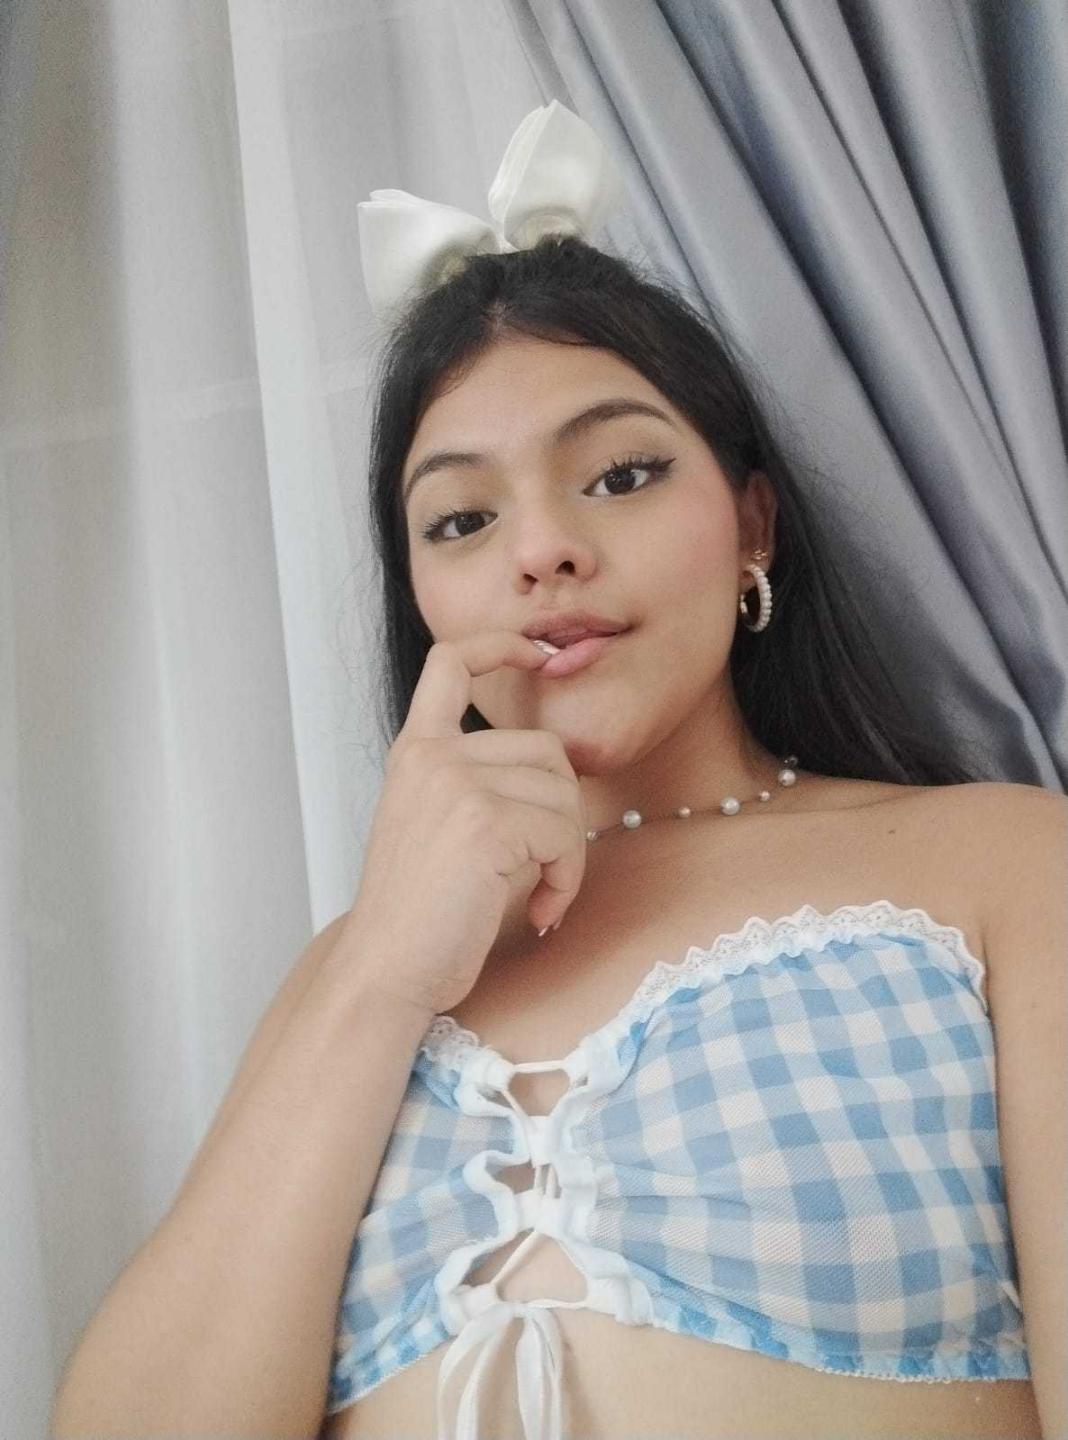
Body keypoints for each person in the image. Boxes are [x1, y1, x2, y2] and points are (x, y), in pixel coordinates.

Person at [51, 103, 1060, 1440]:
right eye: (463, 517)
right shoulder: (352, 972)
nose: (542, 552)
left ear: (752, 523)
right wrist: (381, 972)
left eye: (621, 474)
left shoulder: (1005, 864)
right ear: (421, 597)